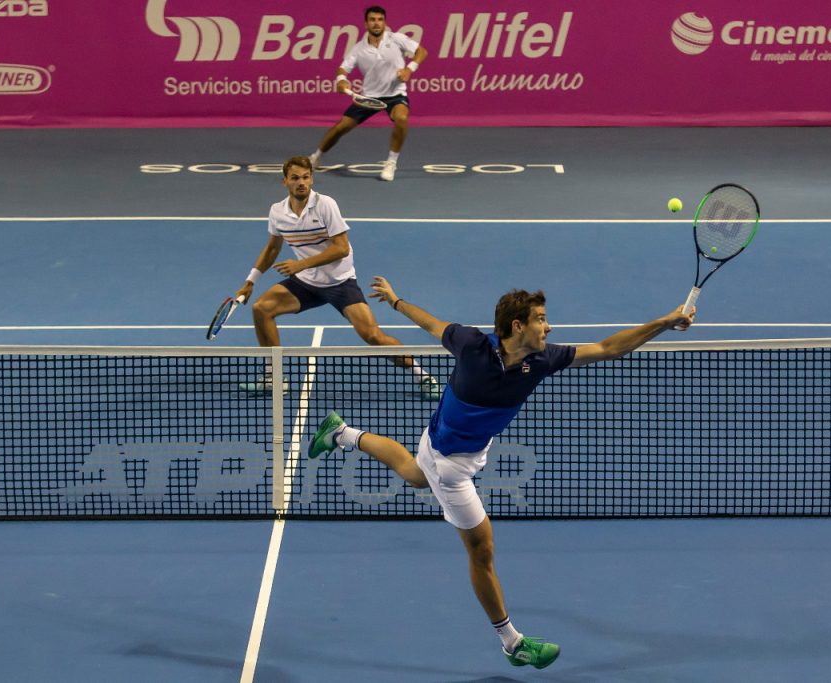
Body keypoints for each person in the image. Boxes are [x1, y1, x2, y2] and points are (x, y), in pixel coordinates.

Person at [308, 277, 695, 669]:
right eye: (541, 320)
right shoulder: (471, 344)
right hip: (451, 466)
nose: (549, 327)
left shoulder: (541, 360)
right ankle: (513, 643)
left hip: (441, 440)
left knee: (414, 472)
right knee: (482, 550)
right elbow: (431, 323)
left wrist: (663, 322)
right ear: (518, 326)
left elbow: (609, 348)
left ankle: (341, 433)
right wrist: (396, 301)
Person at [234, 157, 438, 399]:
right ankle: (273, 378)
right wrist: (250, 281)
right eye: (295, 178)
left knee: (373, 336)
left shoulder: (325, 205)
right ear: (284, 181)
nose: (301, 183)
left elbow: (341, 248)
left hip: (340, 283)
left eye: (306, 177)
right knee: (261, 308)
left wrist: (300, 264)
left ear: (312, 178)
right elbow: (271, 248)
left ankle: (423, 376)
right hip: (306, 283)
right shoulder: (277, 212)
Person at [308, 6, 428, 181]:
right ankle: (315, 157)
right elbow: (342, 68)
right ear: (366, 24)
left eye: (380, 19)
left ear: (384, 22)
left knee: (402, 118)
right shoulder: (358, 48)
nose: (376, 23)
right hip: (368, 97)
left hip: (395, 94)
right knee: (341, 127)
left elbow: (421, 52)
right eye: (372, 20)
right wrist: (341, 80)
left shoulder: (396, 39)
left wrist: (409, 69)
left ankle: (391, 163)